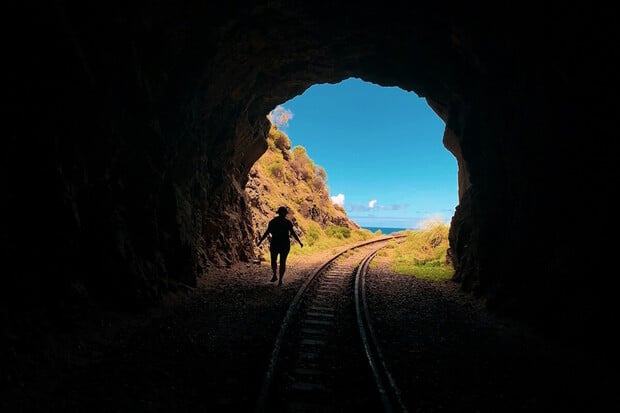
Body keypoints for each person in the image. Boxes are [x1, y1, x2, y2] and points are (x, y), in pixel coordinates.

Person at [257, 206, 303, 286]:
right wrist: (299, 242)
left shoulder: (273, 222)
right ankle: (280, 280)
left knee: (273, 261)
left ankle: (275, 275)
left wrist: (260, 241)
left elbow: (267, 232)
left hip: (275, 243)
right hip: (285, 244)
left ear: (278, 213)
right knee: (282, 262)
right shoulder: (287, 222)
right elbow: (293, 233)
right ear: (285, 214)